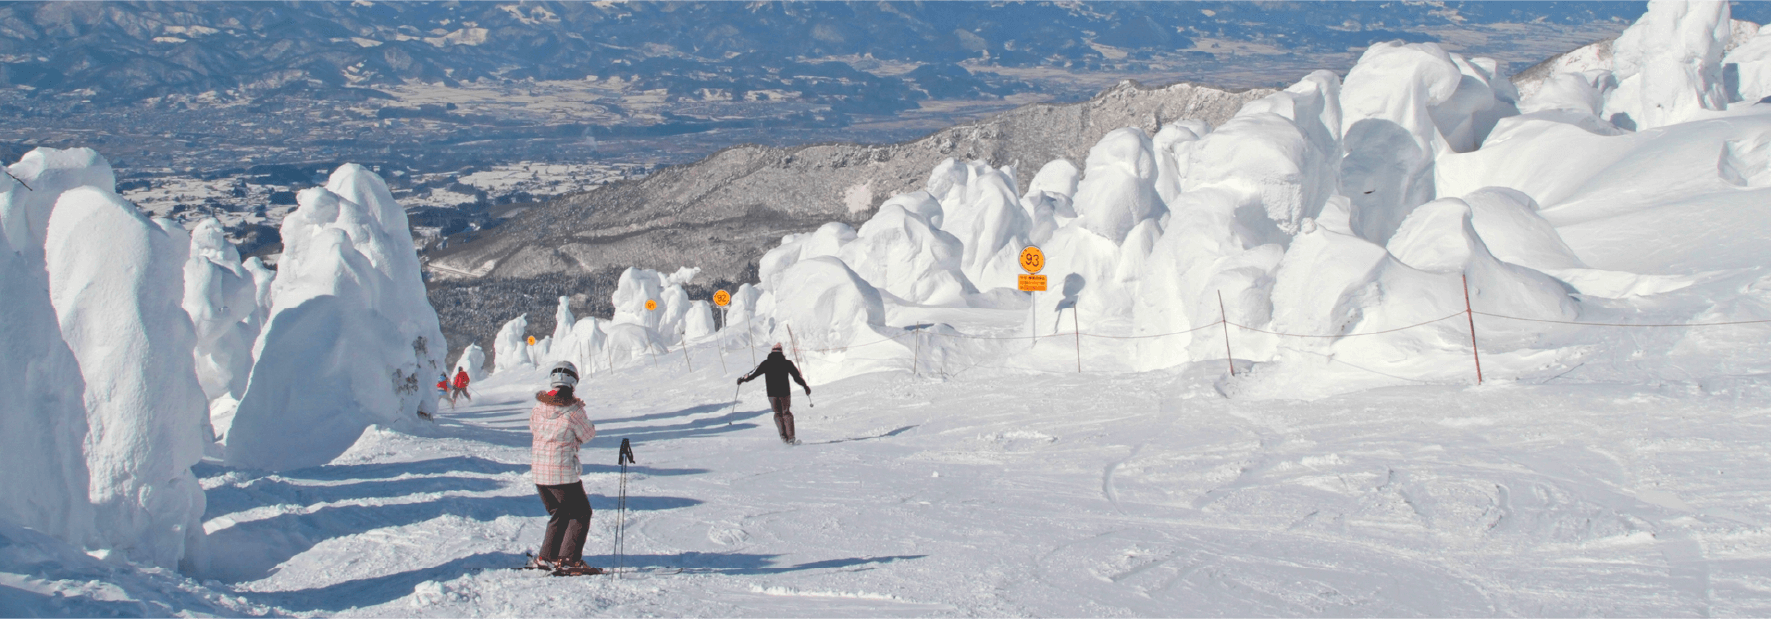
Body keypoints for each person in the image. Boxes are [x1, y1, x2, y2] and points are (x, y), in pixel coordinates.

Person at [527, 361, 599, 575]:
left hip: (539, 473)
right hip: (562, 472)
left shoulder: (539, 408)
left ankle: (546, 557)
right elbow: (588, 435)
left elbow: (533, 428)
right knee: (580, 513)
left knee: (559, 512)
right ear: (574, 382)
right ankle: (569, 559)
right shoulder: (574, 410)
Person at [737, 343, 810, 444]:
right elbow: (797, 377)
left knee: (777, 414)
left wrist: (742, 380)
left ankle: (783, 437)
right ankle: (791, 437)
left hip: (772, 394)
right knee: (786, 413)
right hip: (784, 393)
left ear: (771, 351)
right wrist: (805, 387)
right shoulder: (787, 363)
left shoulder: (766, 363)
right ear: (781, 351)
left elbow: (753, 375)